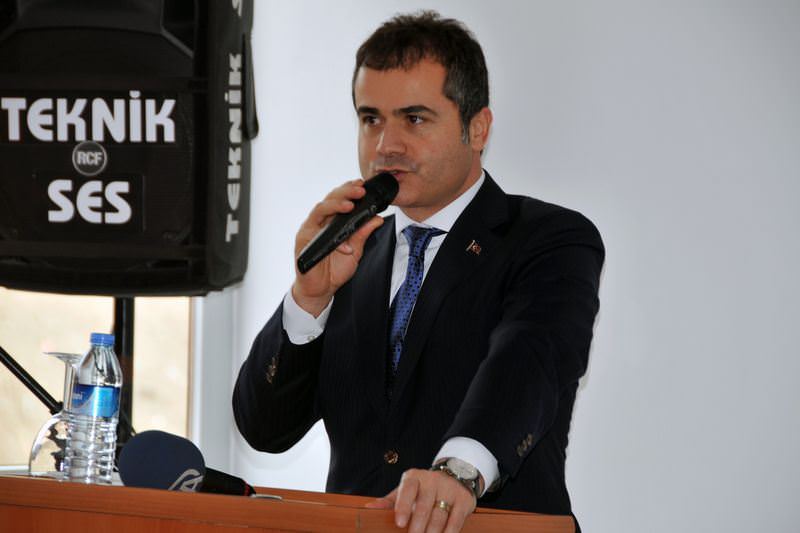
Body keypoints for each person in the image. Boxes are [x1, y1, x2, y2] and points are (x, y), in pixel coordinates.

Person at [233, 11, 603, 533]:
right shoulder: (351, 252)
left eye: (414, 119)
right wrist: (308, 298)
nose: (387, 145)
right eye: (370, 119)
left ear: (477, 128)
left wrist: (458, 472)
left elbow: (529, 359)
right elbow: (265, 428)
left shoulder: (548, 239)